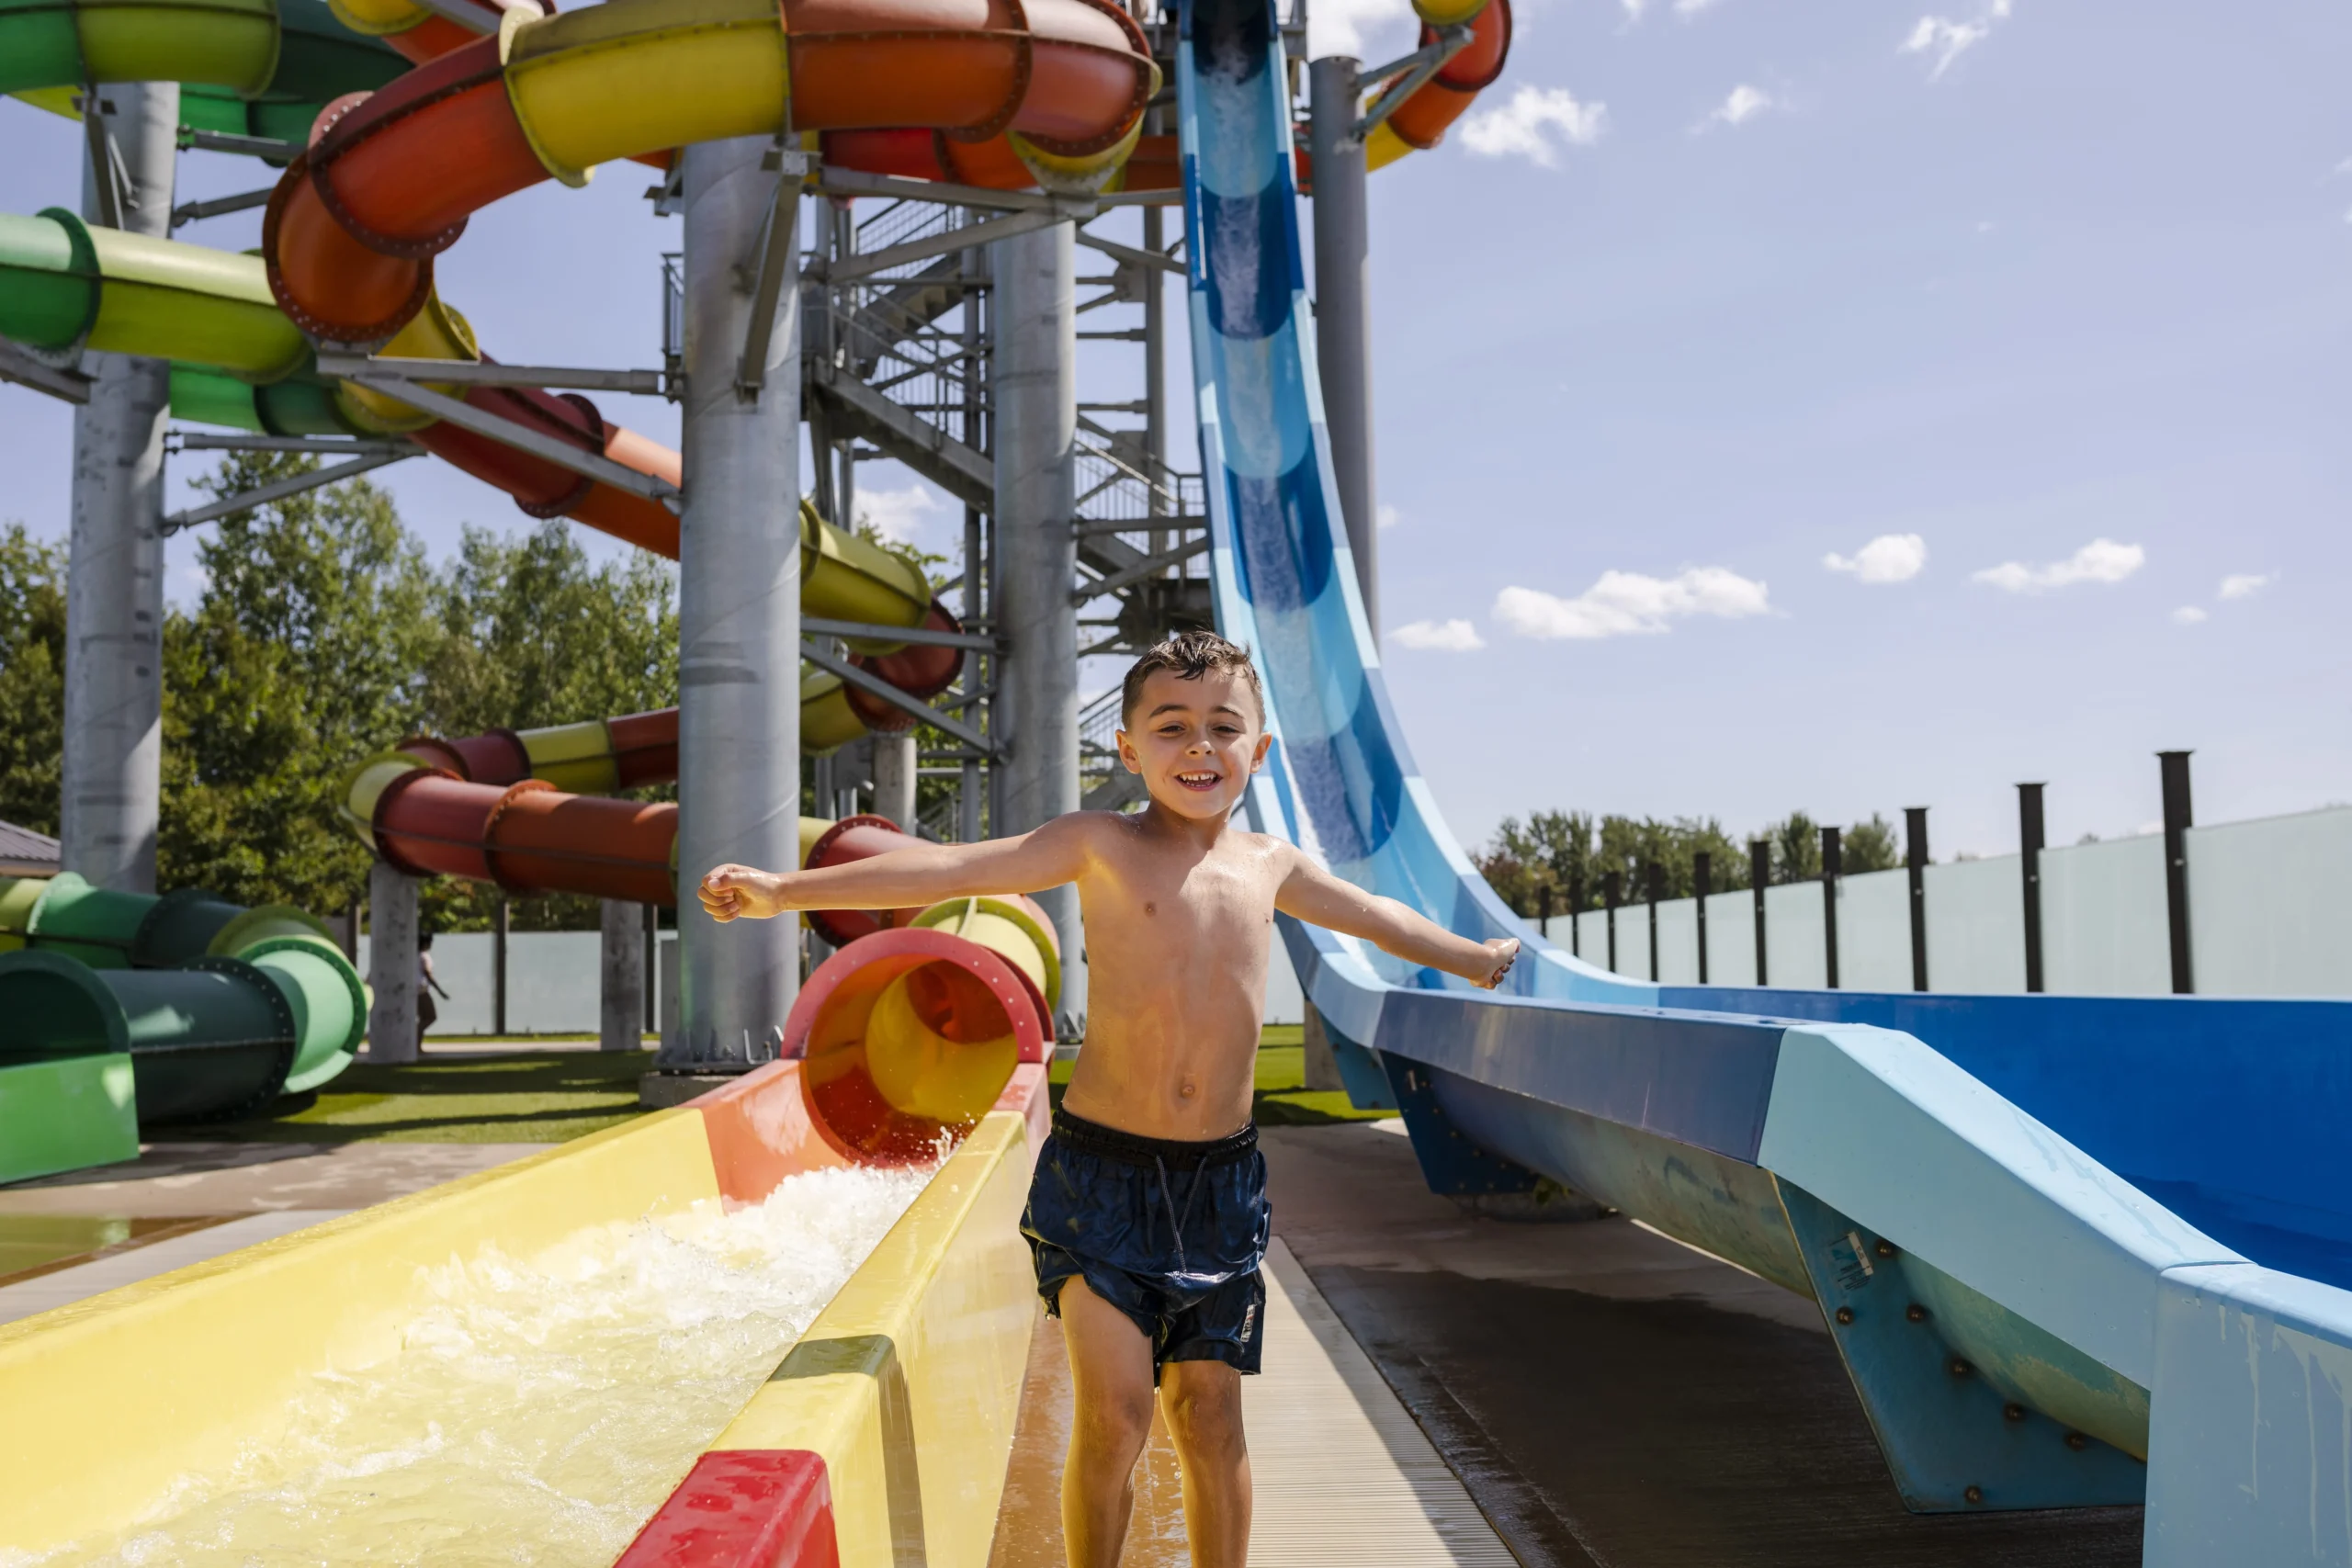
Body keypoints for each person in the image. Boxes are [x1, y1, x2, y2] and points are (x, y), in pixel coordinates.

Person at [698, 630, 1518, 1568]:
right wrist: (784, 890)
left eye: (1223, 727)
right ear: (1127, 749)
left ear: (1259, 749)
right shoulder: (1100, 844)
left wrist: (1470, 958)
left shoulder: (1271, 865)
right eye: (1171, 727)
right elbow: (952, 869)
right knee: (1117, 1413)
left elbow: (1377, 918)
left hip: (1218, 1186)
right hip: (1100, 1178)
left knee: (1209, 1415)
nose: (1199, 746)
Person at [417, 931, 451, 1049]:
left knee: (424, 1018)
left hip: (415, 990)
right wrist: (440, 991)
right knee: (429, 1017)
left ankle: (417, 1044)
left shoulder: (413, 956)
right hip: (421, 990)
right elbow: (428, 974)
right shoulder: (424, 956)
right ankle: (415, 1041)